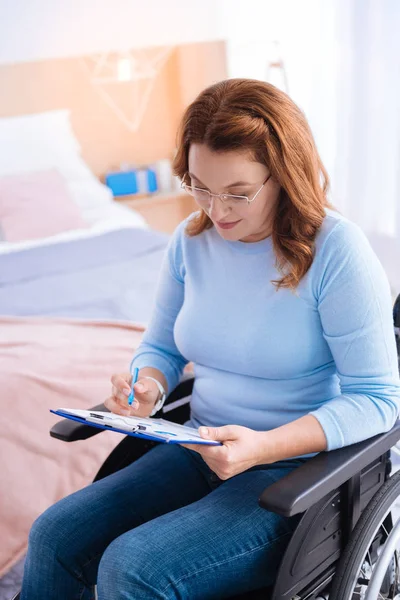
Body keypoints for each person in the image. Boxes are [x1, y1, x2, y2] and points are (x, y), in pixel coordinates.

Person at [21, 78, 400, 600]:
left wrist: (263, 446)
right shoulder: (190, 241)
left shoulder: (336, 252)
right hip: (198, 446)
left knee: (132, 569)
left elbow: (379, 400)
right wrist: (146, 388)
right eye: (199, 186)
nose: (216, 210)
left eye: (238, 194)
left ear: (284, 175)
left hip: (295, 473)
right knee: (54, 536)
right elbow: (162, 349)